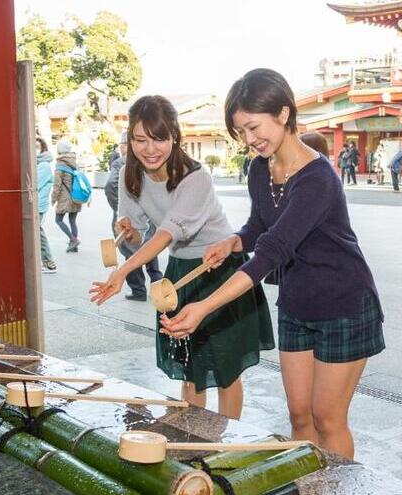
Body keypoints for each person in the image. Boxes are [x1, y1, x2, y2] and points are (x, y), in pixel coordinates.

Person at [161, 69, 384, 459]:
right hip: (297, 303)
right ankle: (313, 491)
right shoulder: (259, 169)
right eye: (241, 131)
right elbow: (261, 227)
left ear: (283, 113)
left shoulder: (317, 178)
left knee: (328, 418)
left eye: (253, 126)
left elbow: (272, 250)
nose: (249, 139)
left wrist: (205, 307)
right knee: (300, 417)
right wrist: (233, 241)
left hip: (344, 303)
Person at [90, 95, 275, 419]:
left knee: (226, 369)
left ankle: (228, 443)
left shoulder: (196, 177)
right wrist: (129, 233)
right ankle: (193, 439)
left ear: (174, 137)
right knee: (191, 366)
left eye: (159, 138)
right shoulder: (128, 176)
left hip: (220, 268)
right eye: (140, 139)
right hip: (181, 271)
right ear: (130, 139)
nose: (150, 149)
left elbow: (164, 235)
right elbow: (138, 237)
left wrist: (122, 273)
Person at [104, 131, 163, 301]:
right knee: (151, 248)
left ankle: (138, 290)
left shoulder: (121, 164)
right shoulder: (152, 165)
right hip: (150, 221)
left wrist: (121, 209)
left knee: (131, 251)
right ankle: (158, 284)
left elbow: (110, 187)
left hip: (132, 221)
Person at [52, 139, 83, 252]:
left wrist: (53, 199)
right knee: (72, 220)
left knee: (58, 220)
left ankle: (73, 240)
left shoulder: (60, 164)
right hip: (76, 196)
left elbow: (57, 185)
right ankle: (74, 246)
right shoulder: (74, 162)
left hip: (65, 198)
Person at [35, 138, 57, 273]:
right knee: (37, 232)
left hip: (37, 205)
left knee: (38, 232)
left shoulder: (43, 165)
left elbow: (34, 184)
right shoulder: (37, 164)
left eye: (37, 146)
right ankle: (47, 262)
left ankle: (49, 262)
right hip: (36, 204)